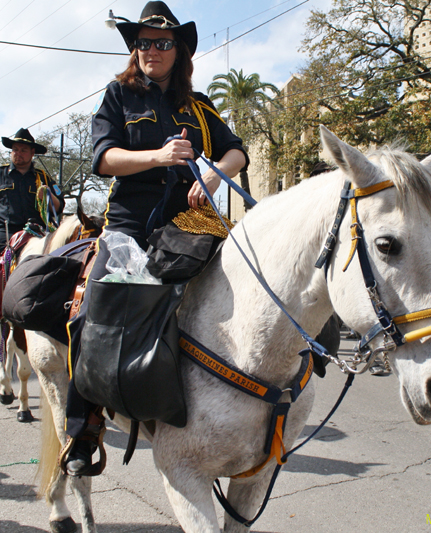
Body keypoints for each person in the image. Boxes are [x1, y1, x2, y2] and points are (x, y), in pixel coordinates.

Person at [61, 1, 249, 477]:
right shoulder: (118, 95)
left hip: (187, 222)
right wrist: (159, 156)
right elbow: (103, 159)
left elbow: (236, 152)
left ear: (178, 51)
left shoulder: (198, 106)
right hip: (129, 225)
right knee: (91, 310)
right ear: (135, 49)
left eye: (162, 42)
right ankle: (83, 429)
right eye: (143, 42)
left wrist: (214, 175)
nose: (152, 50)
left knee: (251, 274)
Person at [0, 128, 64, 338]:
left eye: (23, 150)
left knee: (60, 262)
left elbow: (59, 205)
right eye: (15, 149)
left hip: (36, 231)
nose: (18, 154)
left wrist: (47, 195)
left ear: (32, 153)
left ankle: (59, 311)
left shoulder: (43, 177)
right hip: (4, 230)